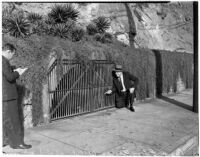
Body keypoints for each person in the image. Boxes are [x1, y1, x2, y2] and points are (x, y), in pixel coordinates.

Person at [2, 43, 31, 149]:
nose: (12, 57)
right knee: (14, 120)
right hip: (8, 96)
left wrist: (14, 71)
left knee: (6, 120)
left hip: (4, 96)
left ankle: (7, 141)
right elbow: (9, 77)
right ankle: (18, 143)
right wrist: (19, 72)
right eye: (12, 54)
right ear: (8, 51)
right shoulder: (3, 61)